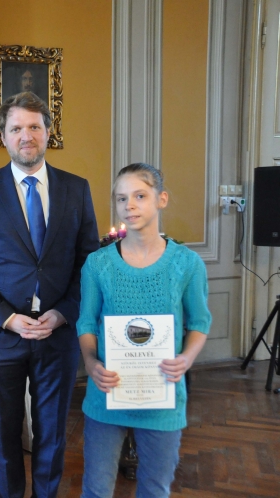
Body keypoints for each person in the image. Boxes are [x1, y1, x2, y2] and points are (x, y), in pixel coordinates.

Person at [0, 91, 99, 498]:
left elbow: (88, 262)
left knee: (52, 433)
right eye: (17, 128)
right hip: (1, 335)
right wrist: (6, 317)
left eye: (34, 126)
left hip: (57, 334)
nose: (26, 136)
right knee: (3, 435)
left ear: (48, 132)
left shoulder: (76, 188)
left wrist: (64, 312)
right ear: (3, 135)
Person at [77, 163, 211, 497]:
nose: (130, 205)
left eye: (140, 196)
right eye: (122, 198)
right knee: (95, 490)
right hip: (107, 393)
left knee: (155, 489)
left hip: (162, 395)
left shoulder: (187, 264)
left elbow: (199, 322)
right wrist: (91, 363)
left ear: (161, 199)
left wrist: (186, 359)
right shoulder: (98, 264)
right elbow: (86, 323)